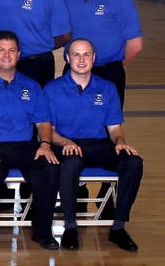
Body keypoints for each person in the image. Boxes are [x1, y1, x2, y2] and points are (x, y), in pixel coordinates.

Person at [0, 30, 60, 250]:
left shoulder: (32, 86)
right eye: (1, 50)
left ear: (18, 54)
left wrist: (45, 144)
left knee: (50, 168)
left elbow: (43, 122)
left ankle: (43, 232)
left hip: (25, 145)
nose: (6, 55)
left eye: (11, 50)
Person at [45, 38, 142, 252]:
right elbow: (48, 130)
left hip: (99, 144)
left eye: (86, 54)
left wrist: (121, 141)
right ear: (67, 58)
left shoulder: (107, 88)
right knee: (70, 164)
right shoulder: (52, 89)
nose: (81, 60)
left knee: (134, 162)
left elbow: (114, 128)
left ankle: (118, 227)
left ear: (94, 58)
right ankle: (70, 227)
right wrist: (65, 142)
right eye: (76, 55)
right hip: (66, 144)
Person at [62, 0, 143, 105]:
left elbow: (136, 45)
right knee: (70, 118)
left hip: (108, 73)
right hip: (73, 73)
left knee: (108, 120)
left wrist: (113, 65)